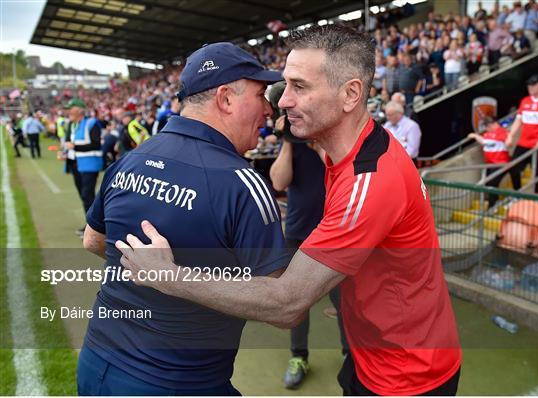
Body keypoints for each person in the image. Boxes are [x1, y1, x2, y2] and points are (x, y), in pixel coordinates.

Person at [117, 25, 462, 396]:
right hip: (374, 355)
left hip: (407, 376)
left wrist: (166, 275)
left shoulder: (370, 181)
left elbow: (287, 303)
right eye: (286, 85)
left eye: (300, 86)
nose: (281, 101)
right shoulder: (348, 148)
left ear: (350, 94)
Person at [80, 42, 285, 395]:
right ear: (225, 98)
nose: (269, 107)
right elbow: (281, 304)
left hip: (96, 362)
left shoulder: (131, 159)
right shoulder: (241, 182)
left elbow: (93, 240)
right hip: (178, 380)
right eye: (260, 93)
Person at [268, 82, 345, 389]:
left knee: (345, 302)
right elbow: (278, 181)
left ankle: (351, 353)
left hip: (334, 235)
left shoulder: (330, 137)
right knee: (296, 303)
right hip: (299, 234)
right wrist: (288, 139)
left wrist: (314, 136)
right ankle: (298, 356)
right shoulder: (292, 140)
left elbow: (338, 166)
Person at [64, 98, 103, 236]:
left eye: (71, 108)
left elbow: (96, 144)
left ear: (79, 110)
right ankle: (91, 225)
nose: (68, 111)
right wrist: (66, 152)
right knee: (84, 196)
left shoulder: (91, 123)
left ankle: (93, 227)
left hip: (90, 165)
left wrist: (74, 147)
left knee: (87, 195)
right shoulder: (75, 124)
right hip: (79, 164)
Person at [506, 74, 538, 193]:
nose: (530, 88)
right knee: (513, 167)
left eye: (533, 85)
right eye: (529, 86)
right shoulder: (525, 101)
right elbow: (518, 120)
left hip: (537, 144)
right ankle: (517, 193)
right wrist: (510, 135)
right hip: (523, 143)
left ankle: (537, 198)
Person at [468, 117, 510, 207]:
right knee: (488, 183)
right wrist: (476, 136)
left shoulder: (502, 132)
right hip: (490, 164)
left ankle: (492, 205)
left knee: (492, 183)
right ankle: (494, 201)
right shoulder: (488, 134)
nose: (487, 129)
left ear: (493, 124)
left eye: (488, 126)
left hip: (500, 163)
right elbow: (484, 142)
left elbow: (508, 141)